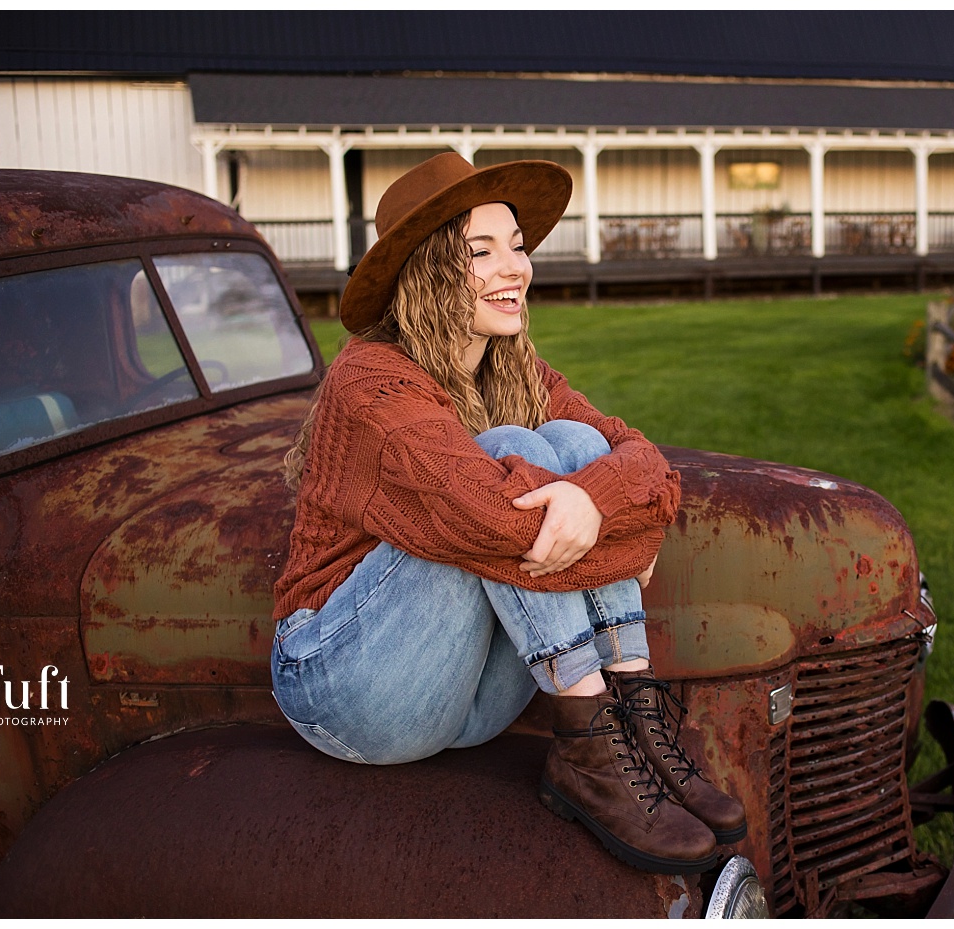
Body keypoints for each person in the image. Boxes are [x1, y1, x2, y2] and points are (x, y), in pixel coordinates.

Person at [271, 153, 745, 874]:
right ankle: (590, 746)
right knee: (515, 450)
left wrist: (604, 500)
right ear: (428, 268)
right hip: (347, 684)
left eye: (517, 245)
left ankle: (626, 714)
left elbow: (646, 460)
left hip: (465, 698)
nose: (514, 266)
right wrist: (633, 530)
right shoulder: (371, 381)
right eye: (481, 251)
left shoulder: (513, 366)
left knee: (580, 446)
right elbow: (501, 523)